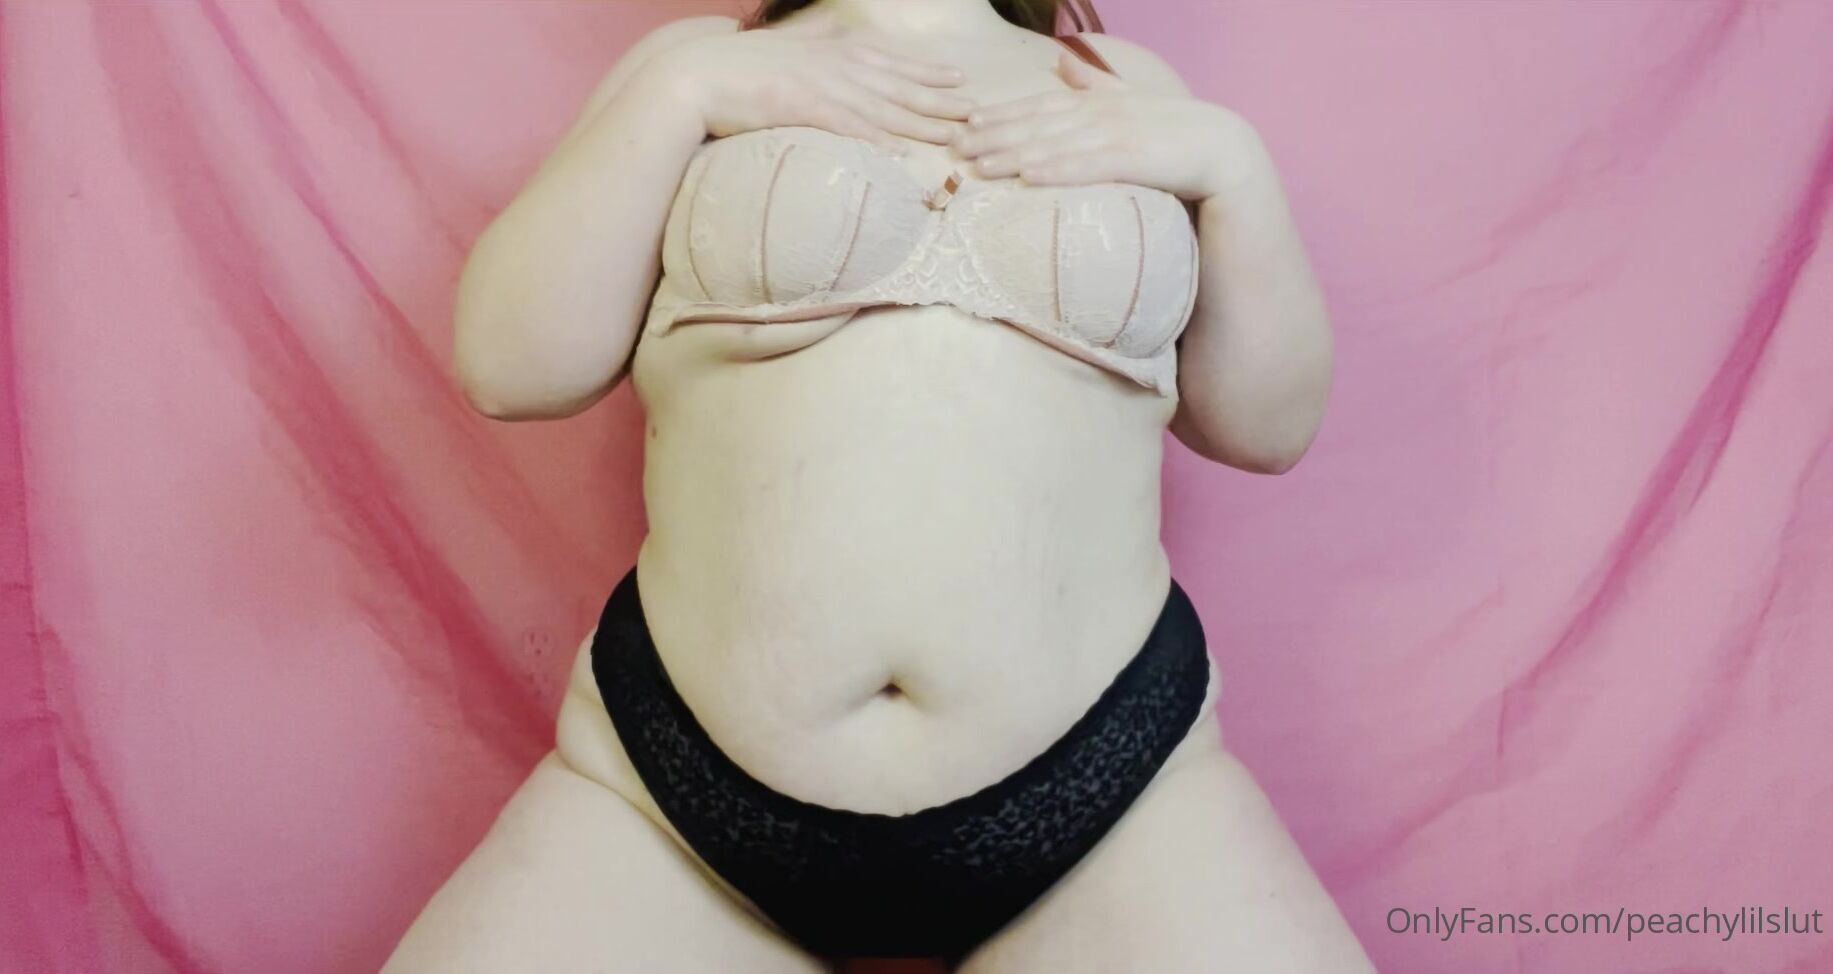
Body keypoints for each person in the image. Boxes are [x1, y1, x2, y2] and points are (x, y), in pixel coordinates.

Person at [384, 0, 1374, 970]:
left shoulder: (1124, 86)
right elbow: (511, 369)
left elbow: (1267, 429)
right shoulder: (702, 61)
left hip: (1112, 790)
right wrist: (686, 92)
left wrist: (1233, 164)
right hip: (670, 798)